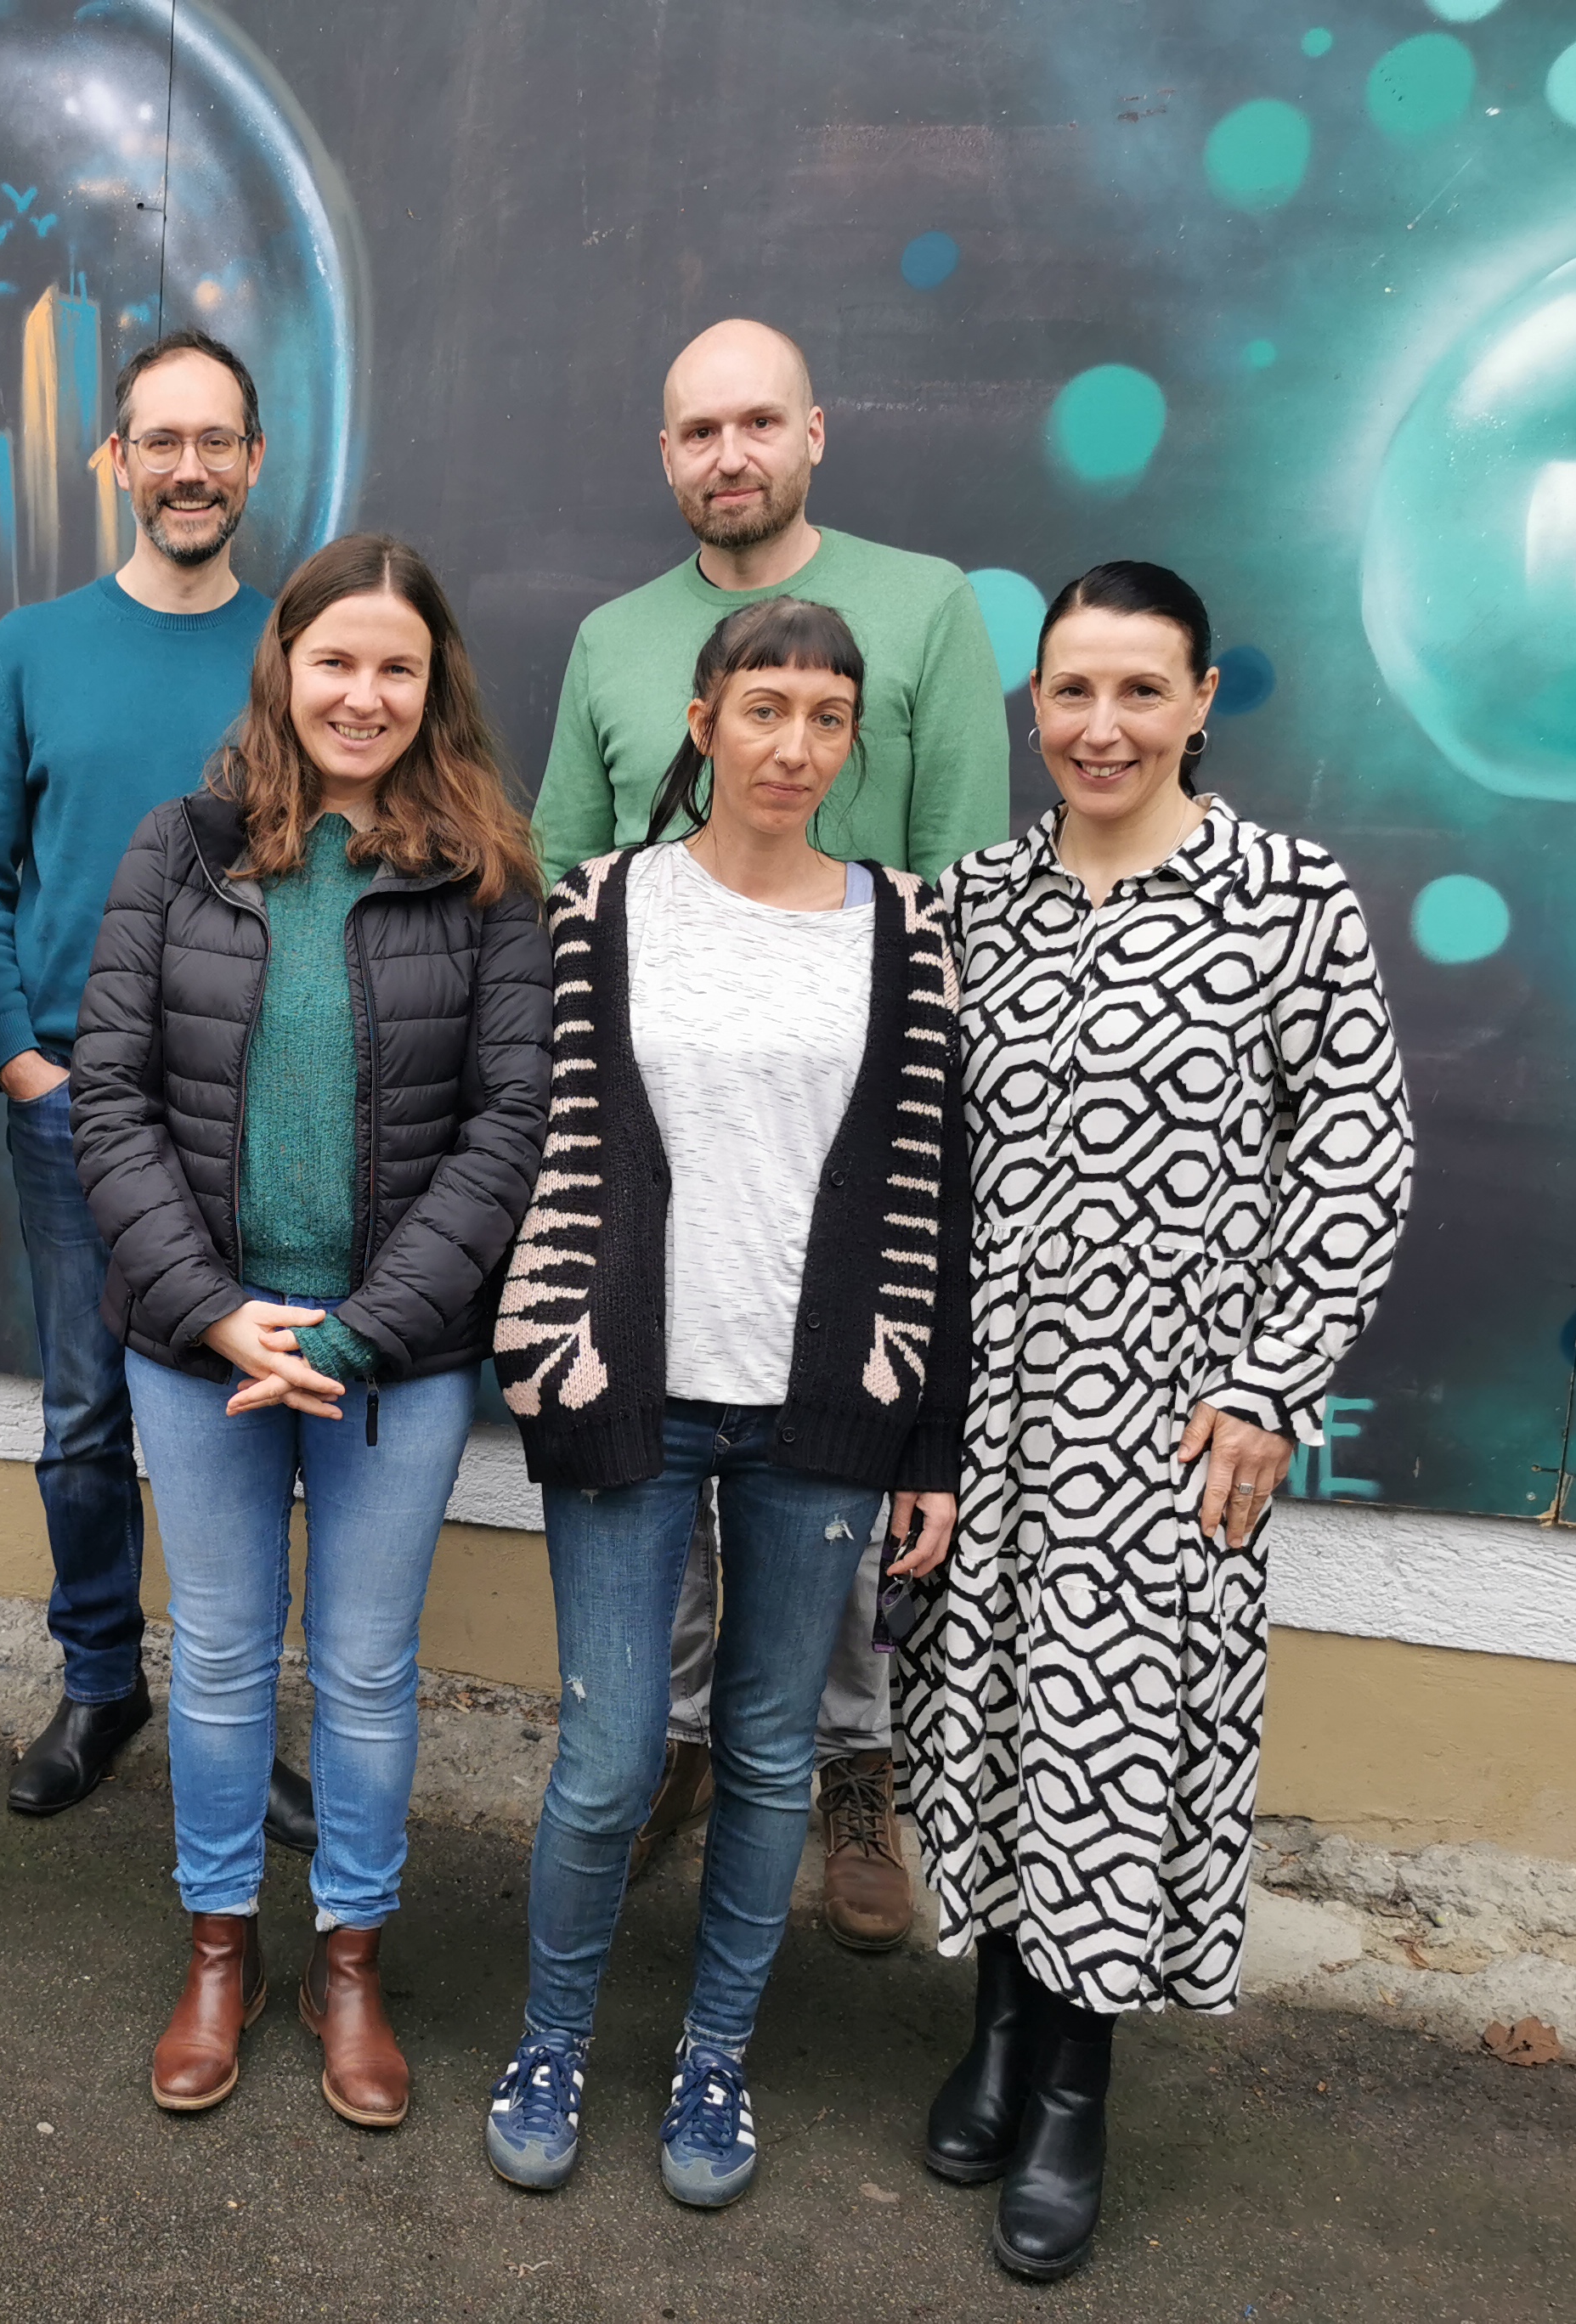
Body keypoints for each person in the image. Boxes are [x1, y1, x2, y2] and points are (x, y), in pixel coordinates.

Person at [901, 562, 1414, 2280]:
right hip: (985, 1425)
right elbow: (914, 1160)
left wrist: (1272, 1381)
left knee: (1110, 1756)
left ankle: (1072, 2089)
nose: (1102, 726)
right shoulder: (974, 903)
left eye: (1140, 691)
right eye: (1072, 691)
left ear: (1201, 703)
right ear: (1033, 706)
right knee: (982, 1724)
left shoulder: (1287, 898)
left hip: (1170, 1429)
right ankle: (993, 2030)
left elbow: (1358, 1153)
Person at [530, 318, 1012, 1949]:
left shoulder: (924, 607)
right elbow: (564, 868)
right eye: (697, 431)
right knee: (655, 1472)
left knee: (835, 1477)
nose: (727, 455)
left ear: (816, 432)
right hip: (668, 1126)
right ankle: (668, 1752)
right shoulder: (612, 639)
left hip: (846, 1112)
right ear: (664, 454)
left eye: (757, 423)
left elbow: (962, 867)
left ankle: (853, 1770)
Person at [485, 600, 971, 2207]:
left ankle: (714, 2058)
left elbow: (935, 1197)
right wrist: (542, 1347)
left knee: (770, 1753)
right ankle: (553, 2039)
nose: (795, 746)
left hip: (823, 1406)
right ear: (703, 723)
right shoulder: (600, 908)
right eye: (765, 708)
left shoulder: (904, 927)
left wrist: (930, 1441)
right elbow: (541, 1143)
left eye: (828, 717)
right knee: (609, 1756)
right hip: (628, 1387)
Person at [71, 534, 551, 2127]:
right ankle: (222, 1947)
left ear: (435, 685)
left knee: (363, 1668)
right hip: (194, 1347)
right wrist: (218, 1316)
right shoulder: (180, 849)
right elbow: (112, 1102)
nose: (363, 693)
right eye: (336, 659)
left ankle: (351, 1958)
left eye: (397, 667)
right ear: (284, 667)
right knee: (216, 1658)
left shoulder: (487, 876)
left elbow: (508, 1130)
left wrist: (348, 1341)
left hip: (390, 1362)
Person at [0, 329, 316, 1843]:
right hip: (75, 1102)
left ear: (252, 460)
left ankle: (238, 1711)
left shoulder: (302, 650)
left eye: (214, 440)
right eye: (159, 441)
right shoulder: (30, 649)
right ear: (116, 461)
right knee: (86, 1417)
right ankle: (101, 1683)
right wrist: (22, 1059)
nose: (188, 468)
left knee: (255, 1414)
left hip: (259, 1111)